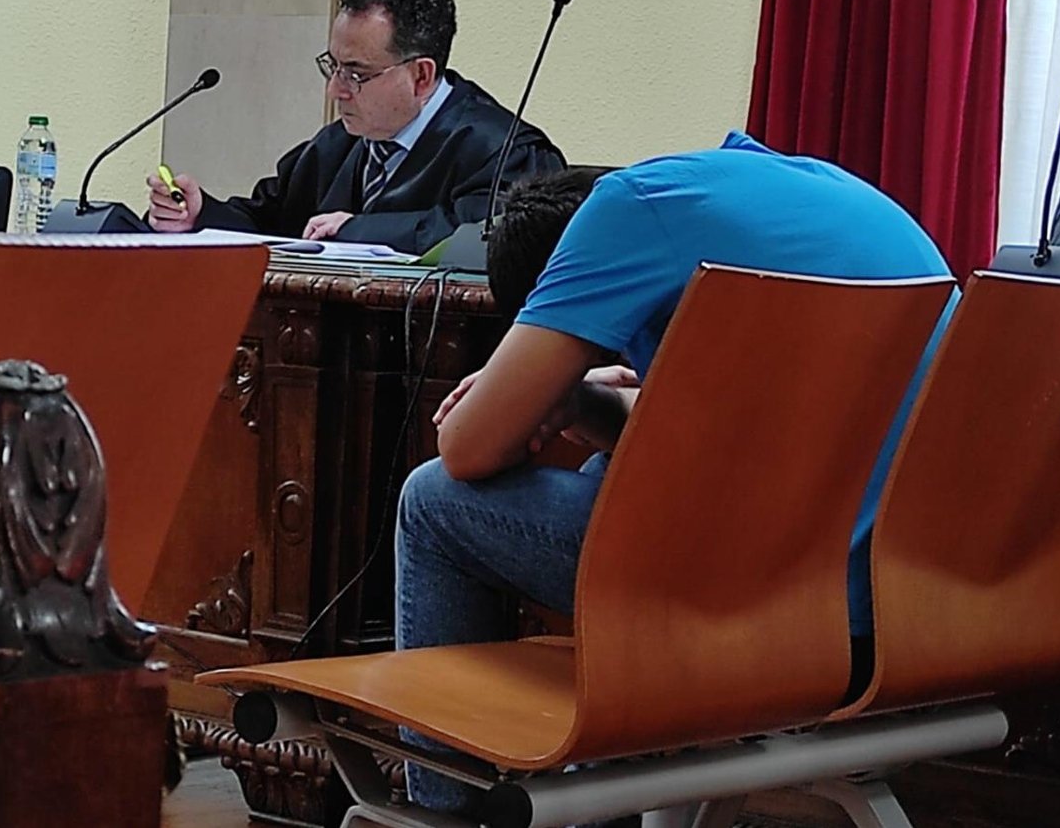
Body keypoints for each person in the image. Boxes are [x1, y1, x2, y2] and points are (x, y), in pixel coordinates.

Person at [396, 132, 956, 816]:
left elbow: (468, 450)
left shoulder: (622, 210)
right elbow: (742, 443)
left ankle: (449, 808)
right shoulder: (805, 190)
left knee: (431, 499)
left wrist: (536, 383)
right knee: (617, 471)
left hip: (769, 616)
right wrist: (580, 398)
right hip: (907, 614)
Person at [145, 0, 562, 255]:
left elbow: (481, 239)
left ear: (420, 75)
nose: (335, 90)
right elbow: (269, 223)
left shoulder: (503, 152)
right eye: (333, 66)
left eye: (356, 73)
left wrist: (354, 230)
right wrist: (201, 215)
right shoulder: (338, 146)